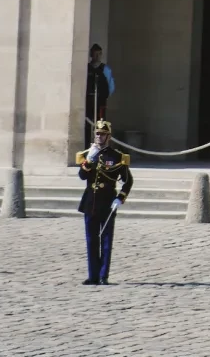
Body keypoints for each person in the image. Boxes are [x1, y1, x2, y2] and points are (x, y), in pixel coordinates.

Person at [76, 119, 133, 286]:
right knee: (91, 240)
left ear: (108, 136)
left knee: (106, 242)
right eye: (97, 134)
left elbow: (128, 181)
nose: (99, 137)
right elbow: (82, 176)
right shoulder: (89, 154)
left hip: (108, 202)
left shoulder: (117, 157)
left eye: (102, 134)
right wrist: (89, 159)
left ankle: (103, 275)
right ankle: (92, 275)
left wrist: (120, 197)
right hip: (90, 202)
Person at [84, 44, 116, 146]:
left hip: (100, 101)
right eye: (95, 54)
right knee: (87, 125)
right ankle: (87, 145)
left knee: (101, 124)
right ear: (91, 54)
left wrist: (104, 96)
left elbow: (111, 85)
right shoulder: (86, 68)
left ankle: (101, 146)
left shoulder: (105, 69)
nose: (97, 56)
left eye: (99, 54)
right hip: (88, 100)